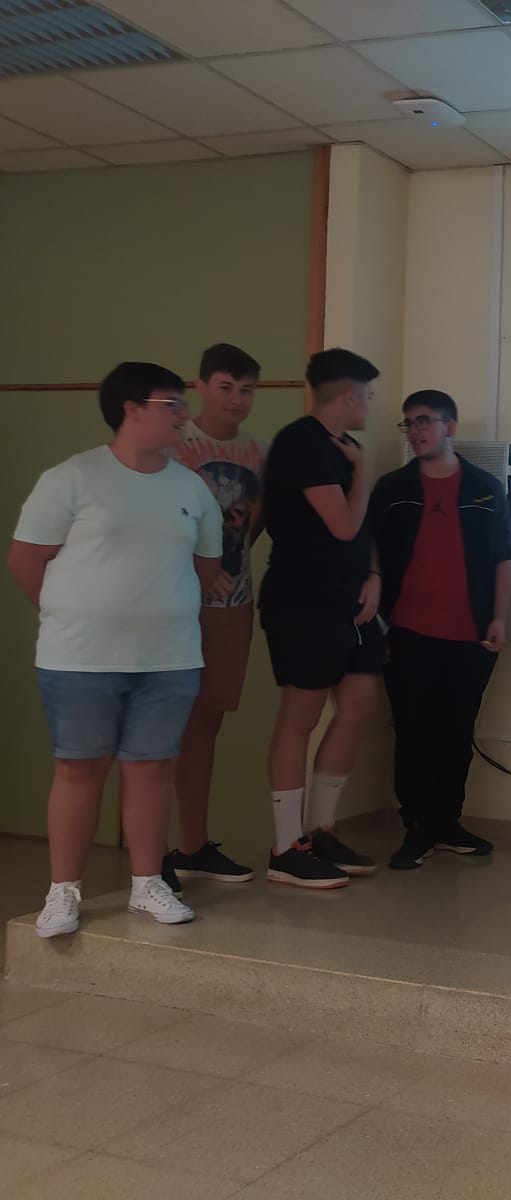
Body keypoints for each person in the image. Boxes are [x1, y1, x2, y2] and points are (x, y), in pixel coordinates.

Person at [10, 362, 222, 936]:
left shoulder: (191, 487)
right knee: (78, 771)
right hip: (79, 658)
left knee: (151, 770)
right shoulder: (71, 478)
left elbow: (206, 568)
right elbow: (26, 560)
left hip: (170, 658)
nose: (184, 415)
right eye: (172, 404)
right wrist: (73, 614)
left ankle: (147, 884)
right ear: (132, 409)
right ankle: (63, 892)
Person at [369, 390, 511, 870]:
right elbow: (369, 549)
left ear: (448, 427)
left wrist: (499, 617)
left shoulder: (485, 488)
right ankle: (416, 827)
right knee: (413, 731)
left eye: (424, 421)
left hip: (472, 635)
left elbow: (504, 557)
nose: (415, 431)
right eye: (409, 423)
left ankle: (447, 823)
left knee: (456, 732)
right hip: (406, 632)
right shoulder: (392, 488)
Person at [257, 348, 383, 888]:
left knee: (358, 704)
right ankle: (286, 847)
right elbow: (343, 525)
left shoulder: (348, 447)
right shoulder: (301, 443)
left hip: (351, 602)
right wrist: (363, 473)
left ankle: (321, 830)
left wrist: (373, 574)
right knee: (300, 716)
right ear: (349, 396)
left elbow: (362, 532)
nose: (370, 405)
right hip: (303, 601)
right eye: (368, 396)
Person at [165, 343, 266, 886]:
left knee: (206, 726)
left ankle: (192, 845)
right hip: (173, 607)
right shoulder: (174, 445)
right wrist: (196, 571)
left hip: (232, 608)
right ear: (200, 386)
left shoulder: (256, 452)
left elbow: (252, 528)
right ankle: (151, 854)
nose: (237, 399)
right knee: (160, 727)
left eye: (246, 389)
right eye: (226, 387)